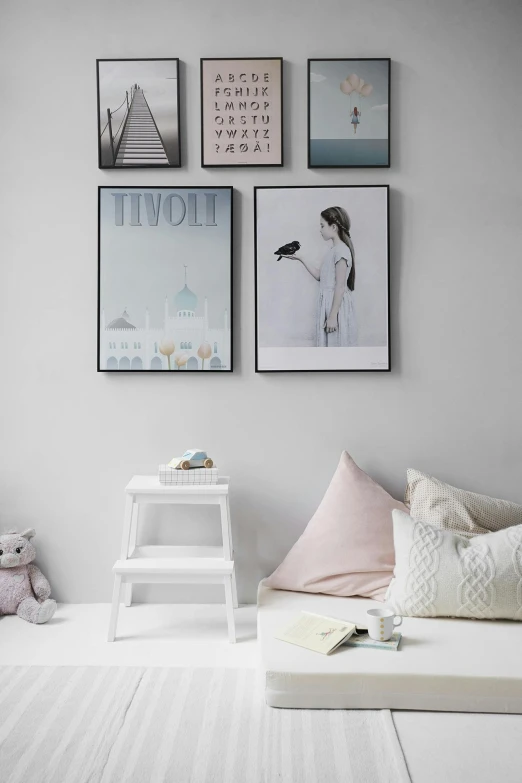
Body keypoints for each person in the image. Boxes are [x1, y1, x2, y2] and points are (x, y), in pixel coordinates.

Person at [281, 206, 358, 347]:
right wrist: (300, 258)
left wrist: (333, 316)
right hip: (329, 304)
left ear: (333, 227)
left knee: (336, 347)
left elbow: (340, 286)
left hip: (336, 307)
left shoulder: (341, 251)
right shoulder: (333, 250)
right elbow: (320, 276)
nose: (320, 229)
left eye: (322, 226)